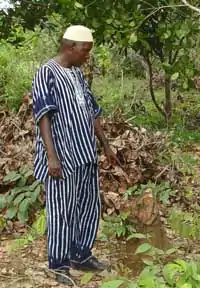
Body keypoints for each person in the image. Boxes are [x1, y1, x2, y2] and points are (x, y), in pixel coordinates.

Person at [32, 25, 118, 285]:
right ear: (70, 47)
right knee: (61, 210)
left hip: (84, 153)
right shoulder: (46, 72)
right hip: (61, 156)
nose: (87, 56)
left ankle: (81, 255)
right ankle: (58, 265)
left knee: (89, 207)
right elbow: (43, 116)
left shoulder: (78, 74)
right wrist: (51, 156)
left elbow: (92, 112)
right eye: (85, 50)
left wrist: (106, 146)